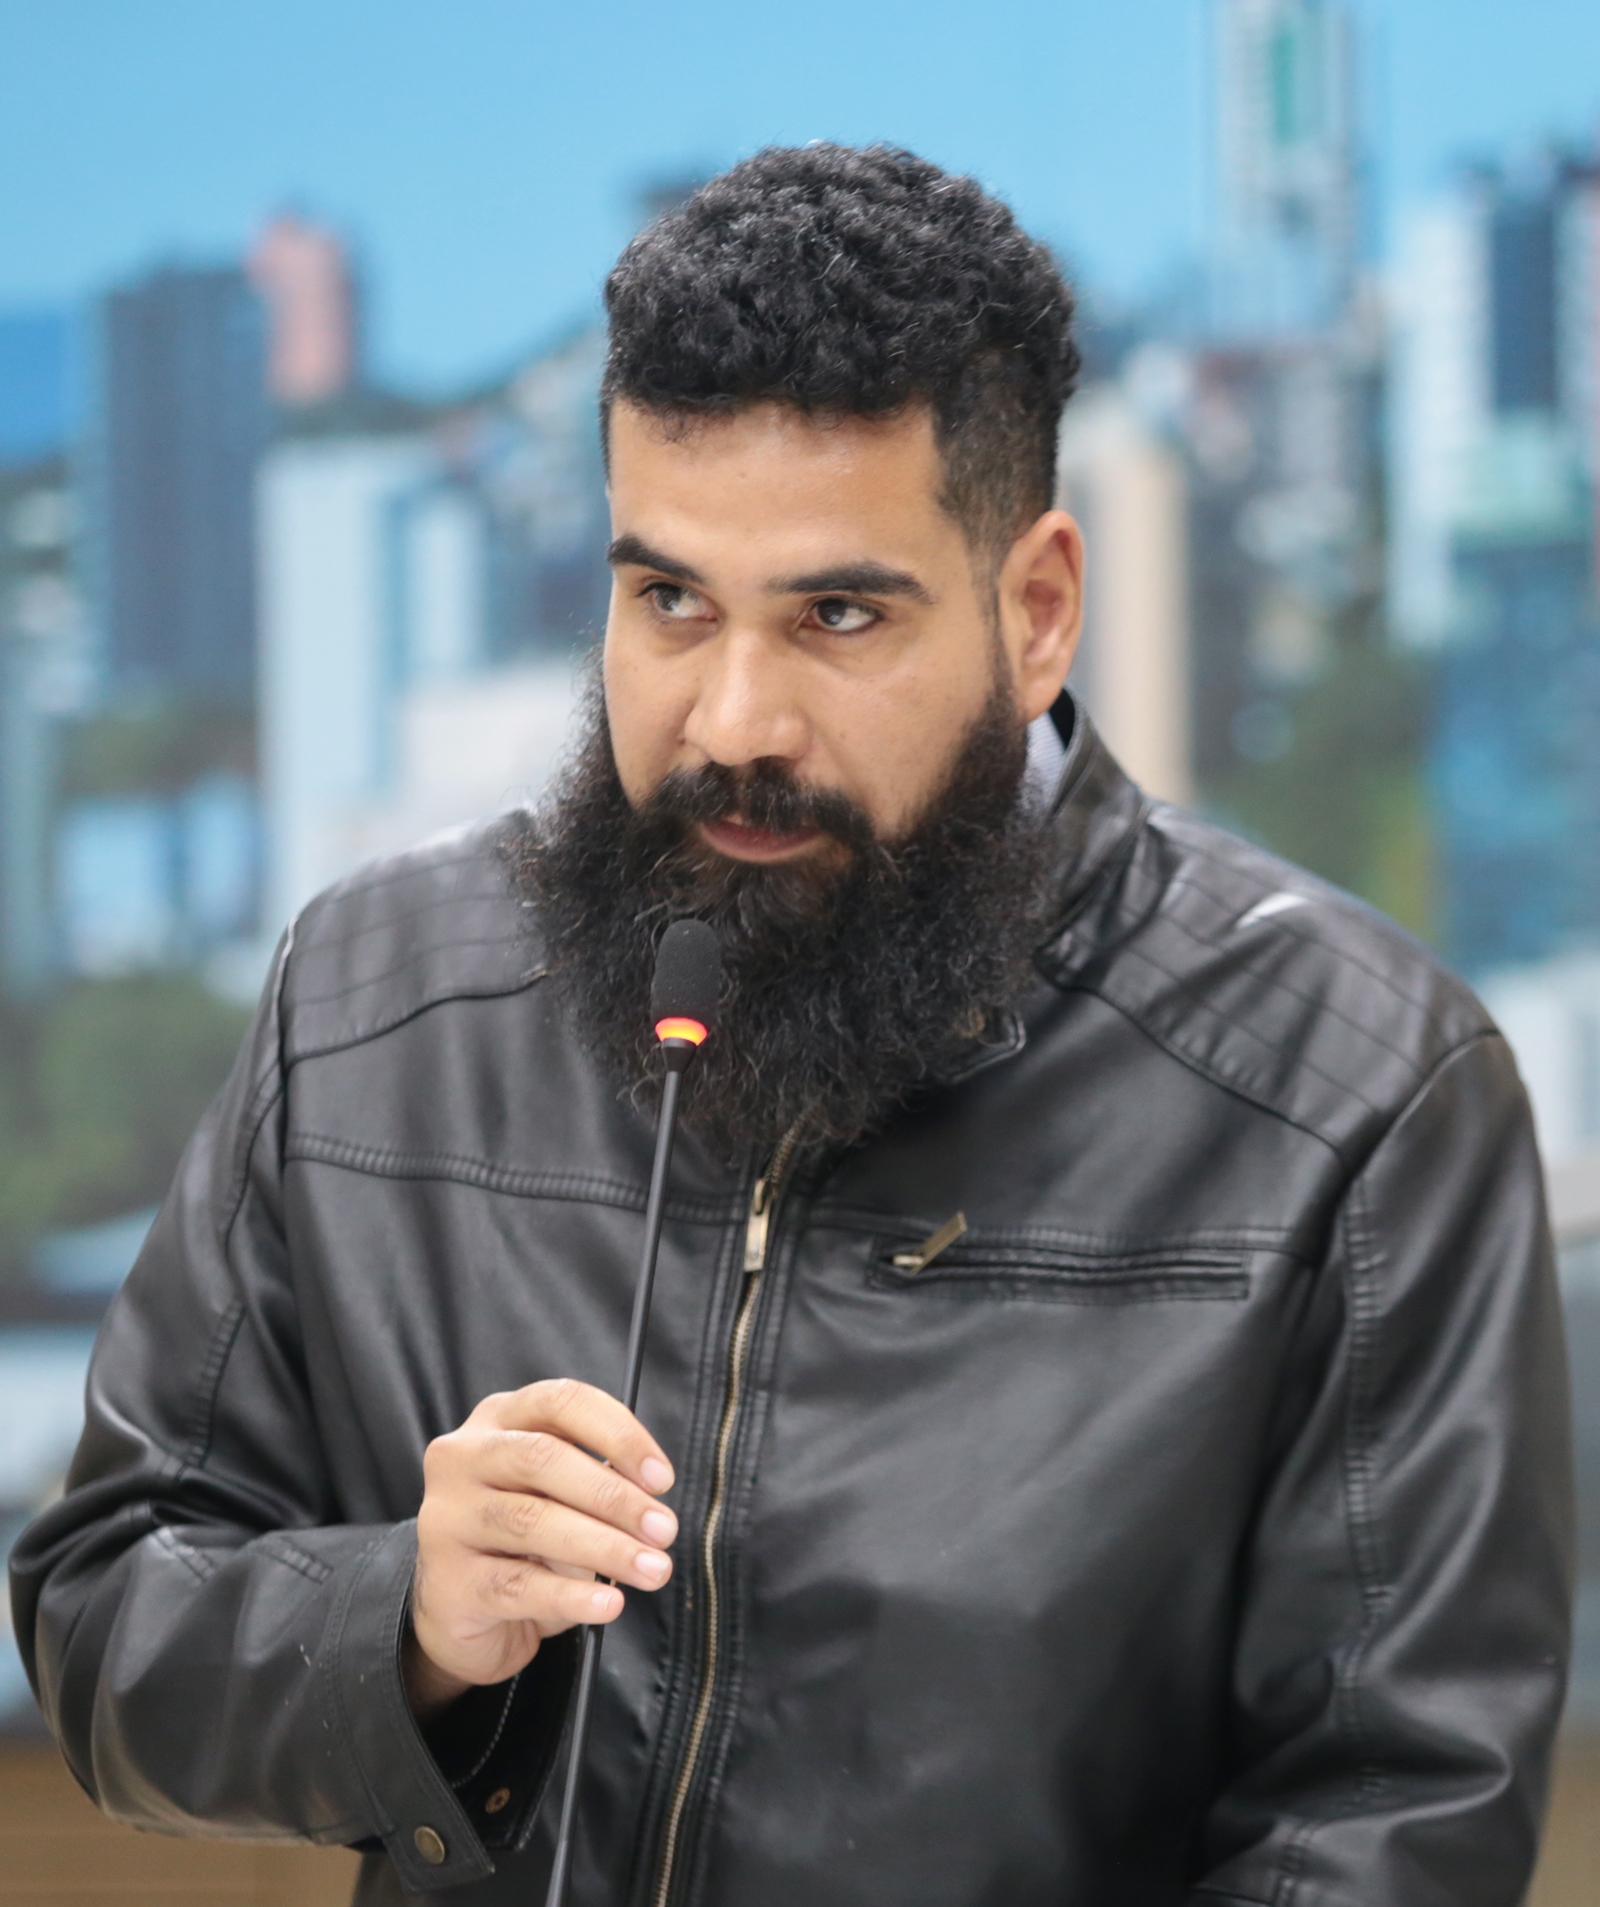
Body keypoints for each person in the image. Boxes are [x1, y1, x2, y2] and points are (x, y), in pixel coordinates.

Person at [10, 145, 1572, 1907]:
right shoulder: (373, 999)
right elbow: (106, 1612)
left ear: (1037, 611)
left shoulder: (1362, 1094)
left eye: (837, 615)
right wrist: (411, 1619)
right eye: (668, 602)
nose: (733, 721)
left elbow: (1391, 1825)